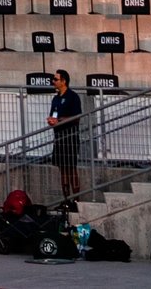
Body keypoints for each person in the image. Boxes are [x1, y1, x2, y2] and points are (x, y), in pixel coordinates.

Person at [47, 70, 83, 202]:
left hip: (70, 138)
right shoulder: (56, 99)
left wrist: (60, 120)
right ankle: (67, 200)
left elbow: (77, 117)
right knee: (63, 170)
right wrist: (52, 120)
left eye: (55, 79)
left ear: (63, 81)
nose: (53, 81)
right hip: (59, 138)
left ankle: (76, 200)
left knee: (71, 168)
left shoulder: (73, 97)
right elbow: (54, 115)